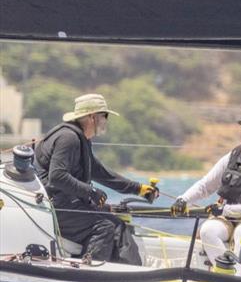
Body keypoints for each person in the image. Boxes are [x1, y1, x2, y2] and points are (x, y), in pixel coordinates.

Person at [34, 93, 159, 264]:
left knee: (118, 225)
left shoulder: (80, 139)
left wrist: (139, 189)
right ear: (93, 117)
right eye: (104, 116)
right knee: (104, 227)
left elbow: (100, 172)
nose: (106, 121)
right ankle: (89, 274)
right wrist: (90, 191)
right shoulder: (68, 139)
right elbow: (57, 176)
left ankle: (131, 275)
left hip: (67, 204)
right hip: (55, 209)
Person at [171, 115, 241, 277]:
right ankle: (226, 276)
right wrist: (183, 199)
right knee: (208, 230)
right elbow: (206, 185)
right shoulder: (232, 156)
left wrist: (224, 210)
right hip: (227, 218)